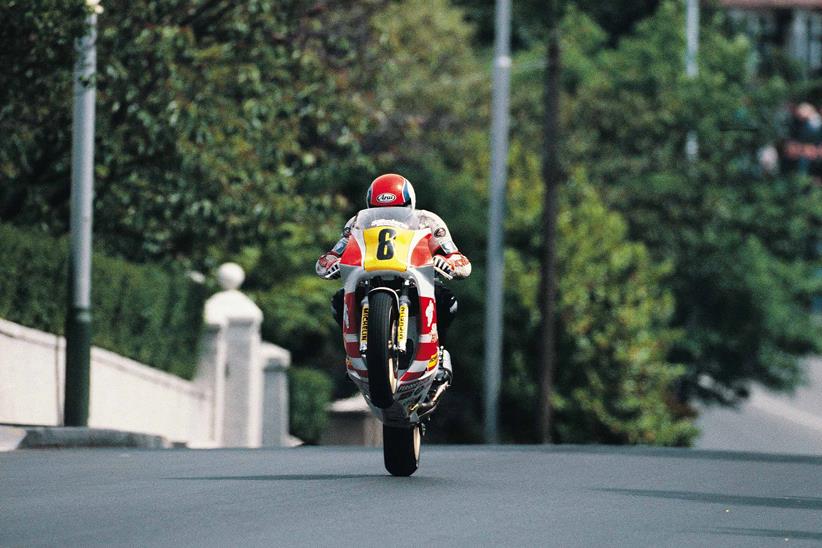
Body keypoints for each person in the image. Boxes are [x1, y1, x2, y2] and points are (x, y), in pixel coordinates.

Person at [315, 173, 472, 384]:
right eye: (378, 212)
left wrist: (449, 263)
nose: (385, 218)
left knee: (447, 303)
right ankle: (356, 359)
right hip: (370, 277)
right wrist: (331, 263)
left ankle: (439, 357)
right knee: (338, 301)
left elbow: (455, 255)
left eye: (395, 211)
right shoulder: (356, 224)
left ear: (410, 204)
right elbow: (336, 252)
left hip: (413, 278)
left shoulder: (428, 221)